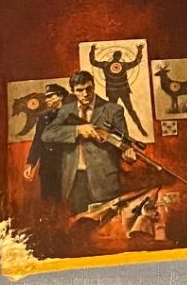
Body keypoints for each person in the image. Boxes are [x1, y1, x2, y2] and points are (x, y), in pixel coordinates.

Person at [42, 70, 136, 214]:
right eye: (80, 90)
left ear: (93, 86)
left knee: (107, 224)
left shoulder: (113, 110)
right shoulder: (66, 111)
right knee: (79, 223)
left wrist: (127, 156)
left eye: (88, 88)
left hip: (104, 179)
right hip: (75, 179)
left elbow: (123, 144)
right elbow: (47, 134)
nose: (85, 94)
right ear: (73, 91)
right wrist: (77, 130)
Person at [89, 44, 148, 137]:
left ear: (113, 56)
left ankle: (107, 133)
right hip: (123, 91)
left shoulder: (106, 65)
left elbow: (93, 62)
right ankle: (141, 129)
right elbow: (136, 61)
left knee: (111, 113)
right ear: (120, 57)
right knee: (130, 110)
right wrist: (140, 50)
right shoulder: (124, 65)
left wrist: (92, 50)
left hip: (112, 91)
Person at [22, 83, 67, 201]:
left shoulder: (71, 115)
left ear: (60, 97)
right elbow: (37, 141)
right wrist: (31, 164)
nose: (47, 100)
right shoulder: (43, 117)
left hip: (66, 165)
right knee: (48, 200)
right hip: (47, 166)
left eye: (50, 96)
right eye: (46, 97)